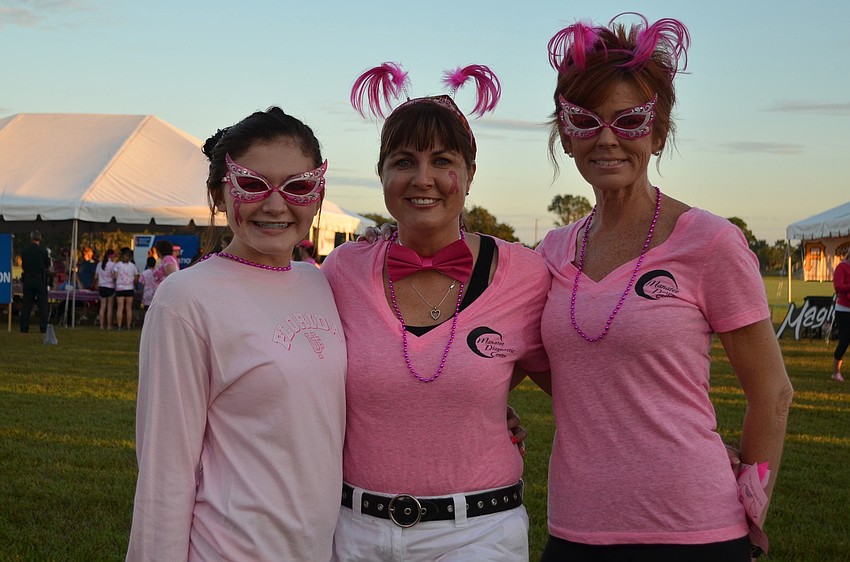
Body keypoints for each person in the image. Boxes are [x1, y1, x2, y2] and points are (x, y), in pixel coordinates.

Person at [533, 13, 794, 561]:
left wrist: (755, 499)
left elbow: (772, 394)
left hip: (695, 529)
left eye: (629, 121)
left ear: (658, 131)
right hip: (576, 528)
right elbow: (508, 356)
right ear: (565, 131)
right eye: (584, 120)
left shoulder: (710, 242)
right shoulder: (551, 253)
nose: (607, 139)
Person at [321, 62, 550, 562]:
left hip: (479, 533)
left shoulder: (526, 275)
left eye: (442, 160)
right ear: (382, 174)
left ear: (468, 174)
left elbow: (586, 385)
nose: (422, 179)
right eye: (403, 161)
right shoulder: (341, 271)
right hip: (353, 531)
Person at [127, 107, 346, 561]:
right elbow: (165, 470)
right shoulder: (185, 299)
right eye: (252, 184)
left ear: (318, 194)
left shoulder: (320, 283)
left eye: (298, 186)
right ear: (217, 193)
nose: (275, 204)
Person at [20, 229, 51, 334]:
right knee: (42, 305)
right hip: (39, 279)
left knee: (27, 304)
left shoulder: (25, 250)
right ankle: (43, 328)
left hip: (28, 278)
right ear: (40, 239)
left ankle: (24, 327)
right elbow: (47, 265)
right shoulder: (43, 251)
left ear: (31, 238)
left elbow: (23, 265)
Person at [831, 248, 850, 382]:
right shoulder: (842, 267)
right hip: (843, 310)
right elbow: (838, 287)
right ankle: (836, 372)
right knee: (845, 340)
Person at [114, 247, 139, 331]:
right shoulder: (133, 266)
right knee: (129, 307)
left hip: (120, 288)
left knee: (120, 307)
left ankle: (119, 326)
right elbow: (136, 278)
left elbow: (115, 276)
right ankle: (128, 326)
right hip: (129, 288)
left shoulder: (117, 265)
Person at [94, 249, 116, 330]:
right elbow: (114, 276)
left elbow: (96, 276)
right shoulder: (113, 265)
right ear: (111, 256)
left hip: (101, 287)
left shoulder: (100, 264)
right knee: (109, 307)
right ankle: (109, 325)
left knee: (102, 307)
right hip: (110, 287)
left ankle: (101, 325)